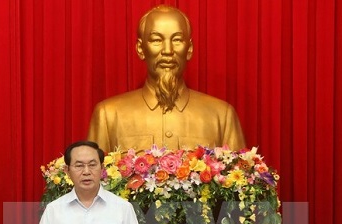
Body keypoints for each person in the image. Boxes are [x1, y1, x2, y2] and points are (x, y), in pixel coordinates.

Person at [87, 5, 245, 152]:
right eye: (156, 40)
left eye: (177, 40)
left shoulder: (221, 116)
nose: (168, 51)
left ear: (189, 49)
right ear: (140, 49)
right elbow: (91, 178)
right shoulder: (108, 115)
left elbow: (240, 177)